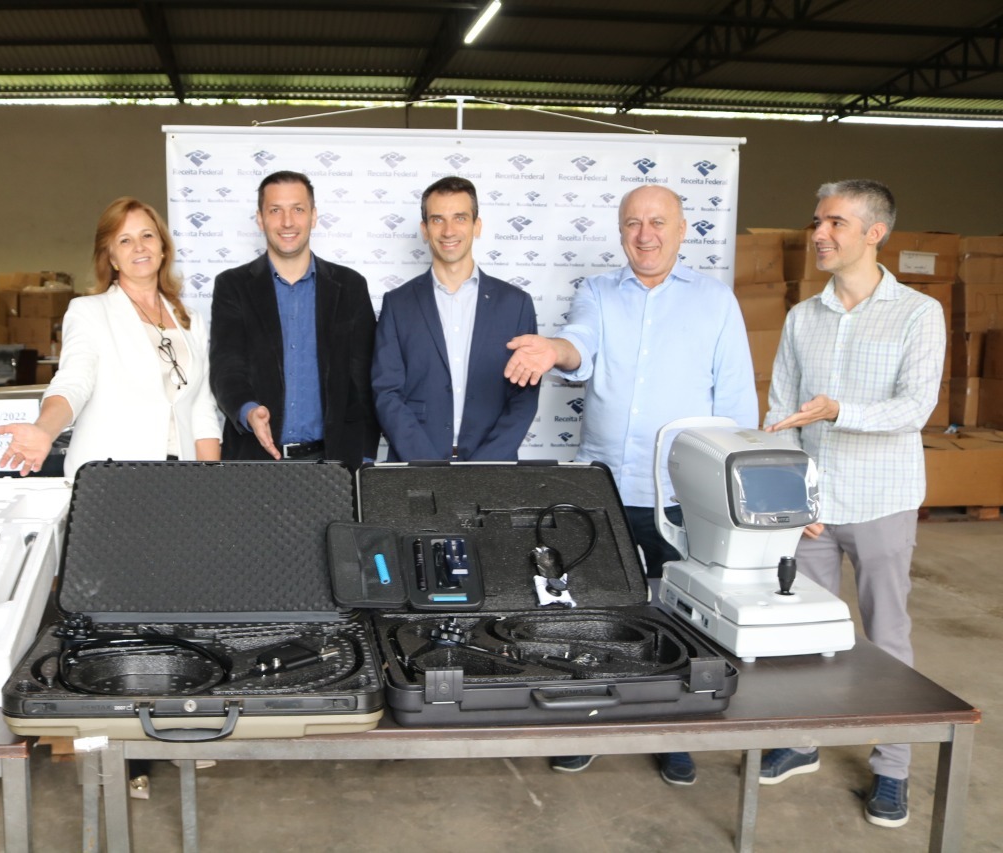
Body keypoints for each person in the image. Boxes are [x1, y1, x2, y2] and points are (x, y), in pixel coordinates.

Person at [502, 184, 757, 786]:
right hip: (603, 489)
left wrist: (736, 493)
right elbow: (581, 343)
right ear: (620, 231)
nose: (645, 234)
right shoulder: (597, 291)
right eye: (633, 223)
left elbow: (737, 403)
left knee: (682, 620)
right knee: (592, 615)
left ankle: (673, 732)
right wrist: (554, 349)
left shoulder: (716, 302)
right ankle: (588, 724)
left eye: (658, 222)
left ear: (682, 229)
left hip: (681, 495)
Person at [759, 180, 944, 829]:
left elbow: (915, 407)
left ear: (874, 232)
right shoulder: (802, 317)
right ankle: (804, 739)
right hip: (812, 509)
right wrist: (794, 496)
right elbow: (781, 409)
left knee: (886, 636)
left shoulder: (918, 313)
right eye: (817, 222)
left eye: (835, 223)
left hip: (882, 501)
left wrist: (840, 410)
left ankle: (892, 767)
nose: (819, 234)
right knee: (803, 635)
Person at [0, 197, 222, 479]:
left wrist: (211, 480)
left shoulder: (190, 319)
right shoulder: (89, 312)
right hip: (112, 476)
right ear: (112, 258)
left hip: (182, 477)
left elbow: (201, 408)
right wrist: (44, 429)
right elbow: (74, 382)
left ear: (163, 248)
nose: (139, 246)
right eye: (125, 240)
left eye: (147, 235)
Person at [209, 170, 379, 469]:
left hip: (335, 464)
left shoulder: (350, 286)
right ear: (260, 219)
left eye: (298, 209)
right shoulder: (232, 286)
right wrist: (248, 411)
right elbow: (226, 368)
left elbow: (364, 381)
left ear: (313, 216)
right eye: (276, 210)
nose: (287, 222)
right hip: (254, 463)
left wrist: (363, 460)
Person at [372, 176, 539, 461]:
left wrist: (483, 468)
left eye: (460, 218)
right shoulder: (397, 303)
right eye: (437, 220)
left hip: (491, 468)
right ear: (425, 230)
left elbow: (524, 398)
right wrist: (427, 466)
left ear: (477, 225)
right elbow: (386, 392)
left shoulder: (516, 304)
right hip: (415, 466)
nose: (449, 231)